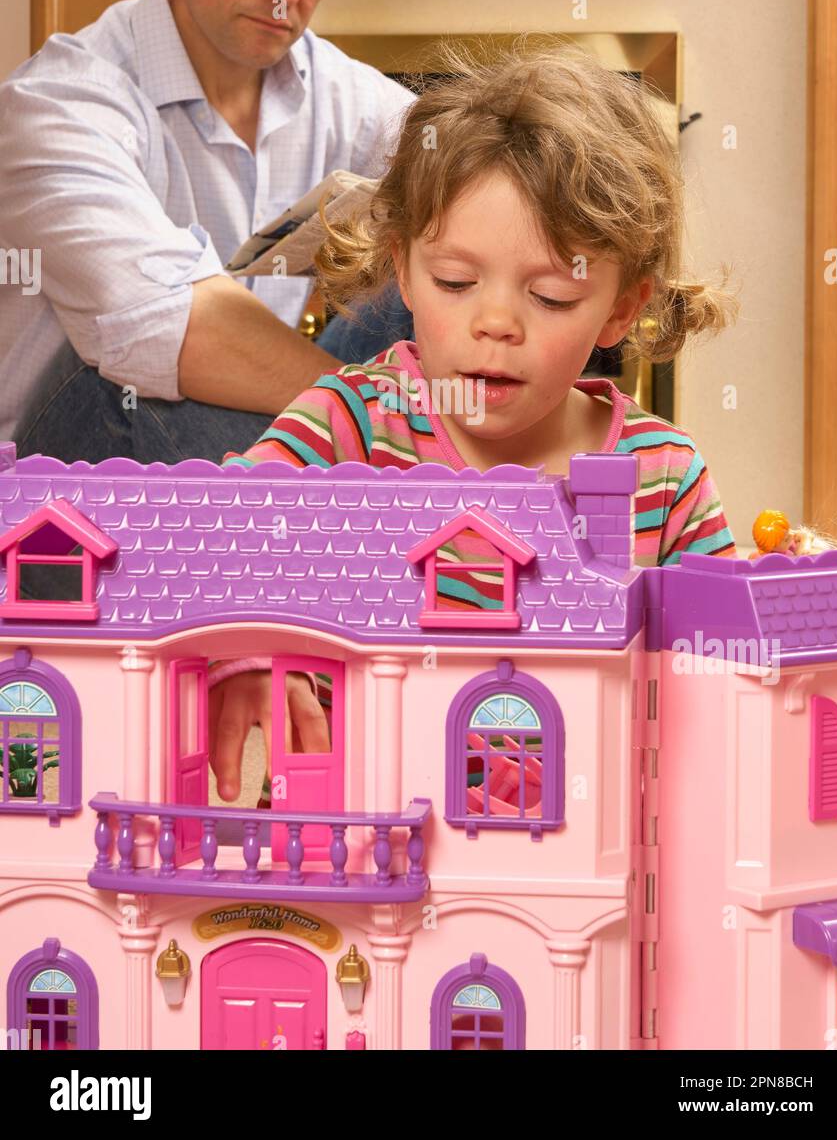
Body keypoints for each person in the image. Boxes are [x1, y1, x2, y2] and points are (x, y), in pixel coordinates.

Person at [215, 39, 738, 796]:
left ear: (621, 308)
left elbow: (719, 674)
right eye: (455, 281)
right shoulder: (350, 426)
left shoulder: (662, 474)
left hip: (582, 858)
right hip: (352, 848)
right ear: (402, 267)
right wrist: (246, 650)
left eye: (551, 296)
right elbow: (216, 537)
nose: (495, 322)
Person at [0, 0, 416, 467]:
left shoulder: (343, 95)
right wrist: (393, 424)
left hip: (249, 433)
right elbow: (156, 324)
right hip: (64, 466)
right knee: (137, 378)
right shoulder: (57, 102)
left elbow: (475, 165)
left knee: (455, 216)